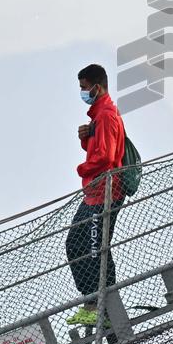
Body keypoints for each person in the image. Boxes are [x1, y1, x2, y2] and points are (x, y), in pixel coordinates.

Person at [65, 64, 126, 327]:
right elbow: (99, 149)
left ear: (96, 87)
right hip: (94, 193)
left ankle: (104, 308)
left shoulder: (107, 115)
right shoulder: (98, 116)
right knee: (76, 244)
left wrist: (81, 168)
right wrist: (86, 139)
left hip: (105, 192)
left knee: (94, 249)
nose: (82, 92)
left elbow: (107, 156)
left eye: (83, 87)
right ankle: (93, 303)